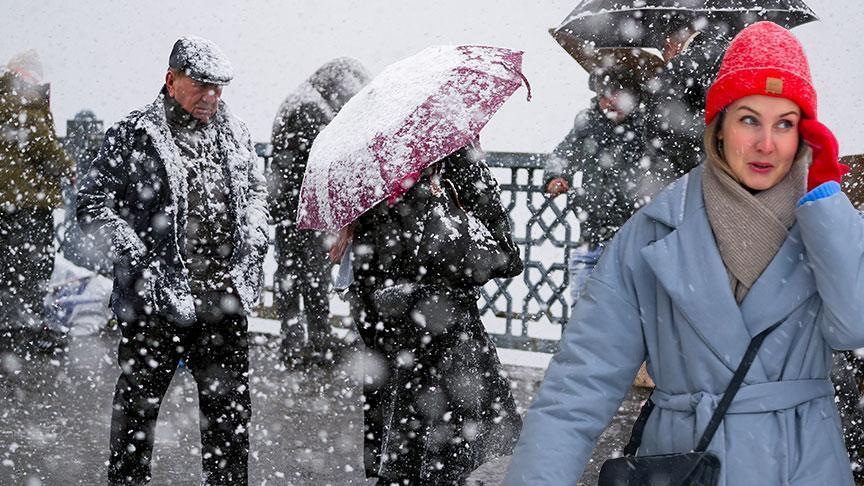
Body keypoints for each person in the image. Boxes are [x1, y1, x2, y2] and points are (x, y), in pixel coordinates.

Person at [504, 22, 862, 485]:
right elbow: (578, 389)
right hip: (686, 464)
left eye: (785, 124)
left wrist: (827, 198)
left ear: (805, 134)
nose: (766, 144)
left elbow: (853, 323)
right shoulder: (652, 233)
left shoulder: (825, 223)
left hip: (805, 467)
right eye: (749, 119)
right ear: (719, 125)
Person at [77, 36, 268, 485]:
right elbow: (92, 204)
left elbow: (257, 195)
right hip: (154, 304)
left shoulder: (236, 133)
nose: (211, 96)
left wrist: (255, 239)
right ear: (171, 79)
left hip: (224, 301)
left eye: (219, 87)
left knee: (229, 422)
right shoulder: (133, 134)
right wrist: (139, 259)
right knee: (137, 417)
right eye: (201, 85)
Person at [340, 142, 523, 484]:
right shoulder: (388, 180)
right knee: (419, 465)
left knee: (424, 464)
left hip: (427, 353)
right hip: (419, 354)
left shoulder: (444, 170)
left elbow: (506, 256)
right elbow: (504, 257)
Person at [269, 57, 370, 367]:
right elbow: (327, 157)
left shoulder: (300, 100)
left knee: (292, 273)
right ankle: (315, 343)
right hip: (306, 207)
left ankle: (295, 341)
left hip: (291, 206)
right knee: (310, 275)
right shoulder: (312, 109)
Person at [544, 64, 647, 305]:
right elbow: (564, 154)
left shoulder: (646, 126)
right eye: (605, 95)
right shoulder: (588, 123)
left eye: (620, 95)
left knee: (627, 314)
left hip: (633, 238)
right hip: (591, 232)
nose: (611, 101)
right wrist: (556, 177)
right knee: (584, 311)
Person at [0, 50, 76, 354]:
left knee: (10, 268)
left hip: (10, 201)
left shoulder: (5, 94)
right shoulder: (22, 95)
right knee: (31, 267)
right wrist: (68, 167)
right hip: (26, 202)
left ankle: (12, 327)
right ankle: (23, 331)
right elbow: (40, 141)